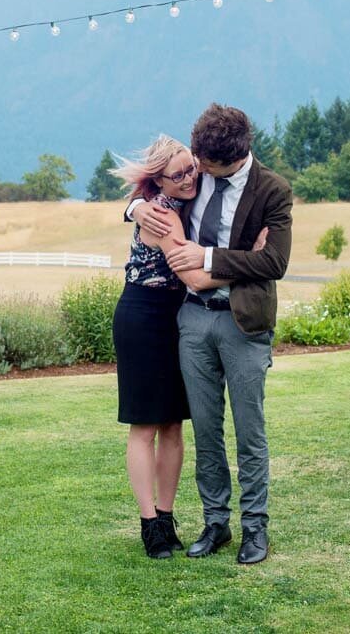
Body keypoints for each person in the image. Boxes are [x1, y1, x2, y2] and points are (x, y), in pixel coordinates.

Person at [131, 104, 293, 566]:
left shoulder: (273, 191)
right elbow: (148, 193)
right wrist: (136, 206)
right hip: (193, 320)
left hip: (244, 323)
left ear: (236, 156)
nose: (196, 169)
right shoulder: (193, 178)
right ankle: (215, 522)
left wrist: (207, 260)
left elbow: (274, 263)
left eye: (206, 163)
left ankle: (255, 529)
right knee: (205, 429)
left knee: (250, 432)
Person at [112, 135, 245, 560]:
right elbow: (192, 277)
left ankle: (167, 518)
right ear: (159, 183)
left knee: (173, 425)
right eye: (178, 174)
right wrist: (254, 265)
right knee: (145, 425)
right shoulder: (161, 217)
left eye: (192, 168)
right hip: (144, 316)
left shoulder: (186, 196)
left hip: (179, 318)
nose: (189, 178)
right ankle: (149, 524)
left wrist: (130, 205)